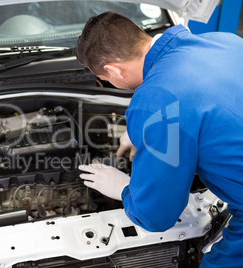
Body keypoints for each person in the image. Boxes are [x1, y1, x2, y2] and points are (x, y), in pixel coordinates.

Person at [75, 11, 243, 267]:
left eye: (104, 79)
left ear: (113, 70)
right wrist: (151, 128)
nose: (107, 83)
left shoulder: (156, 104)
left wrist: (122, 188)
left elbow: (157, 215)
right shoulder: (223, 41)